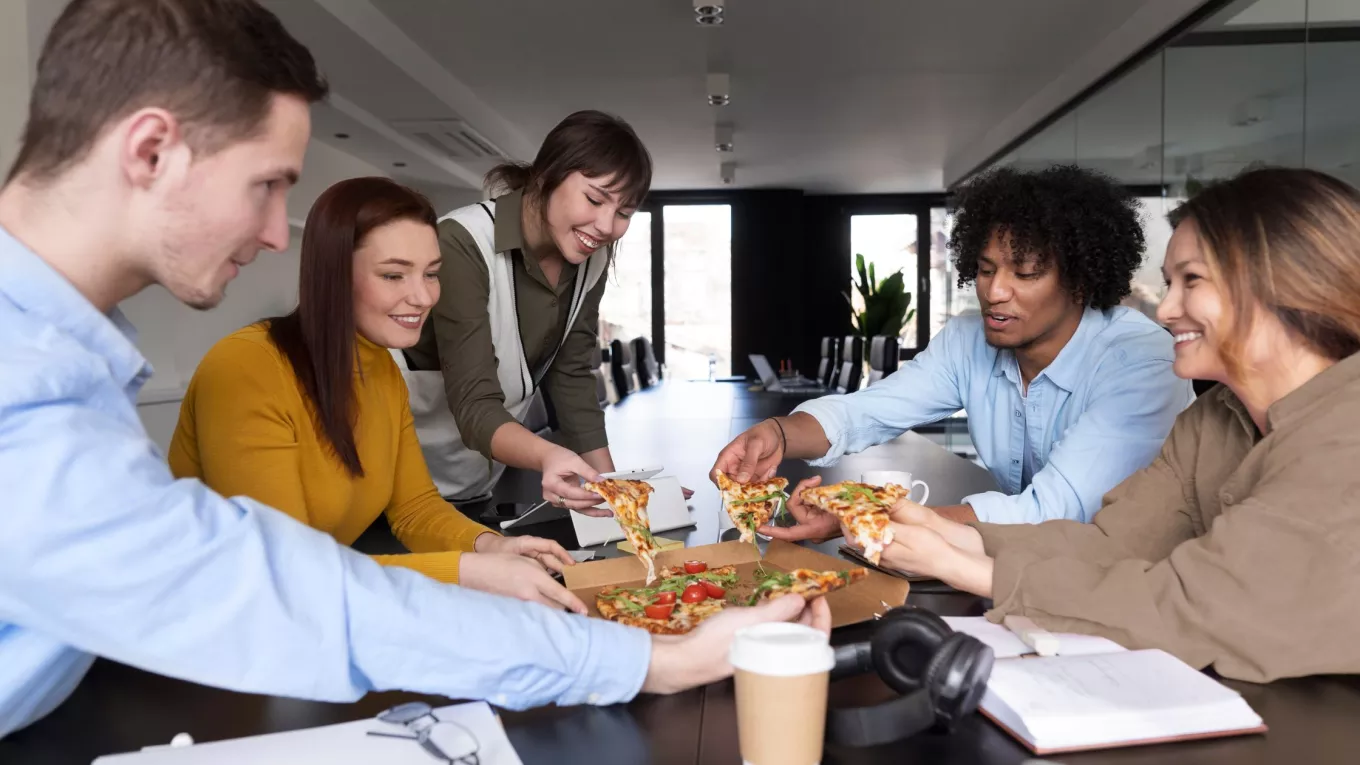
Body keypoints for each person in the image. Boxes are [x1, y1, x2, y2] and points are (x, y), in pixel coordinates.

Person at [0, 0, 826, 739]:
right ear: (149, 150)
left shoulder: (61, 357)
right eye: (266, 185)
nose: (279, 237)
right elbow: (284, 589)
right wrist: (650, 663)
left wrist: (494, 559)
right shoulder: (27, 388)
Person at [872, 167, 1360, 682]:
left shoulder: (1345, 432)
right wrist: (957, 537)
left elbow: (1200, 609)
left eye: (1191, 281)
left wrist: (973, 570)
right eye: (1169, 283)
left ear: (1287, 285)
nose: (1167, 309)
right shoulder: (1212, 420)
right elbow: (1114, 542)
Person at [167, 177, 584, 611]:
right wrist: (465, 572)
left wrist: (488, 547)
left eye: (432, 274)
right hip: (209, 628)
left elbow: (414, 508)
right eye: (393, 274)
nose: (423, 296)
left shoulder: (382, 369)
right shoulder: (246, 367)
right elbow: (285, 568)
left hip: (309, 615)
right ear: (333, 273)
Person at [713, 165, 1192, 535]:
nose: (995, 292)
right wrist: (776, 433)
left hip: (1132, 585)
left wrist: (862, 518)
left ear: (1083, 280)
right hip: (1027, 571)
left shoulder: (1141, 361)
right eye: (985, 270)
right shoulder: (969, 339)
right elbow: (867, 412)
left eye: (1025, 274)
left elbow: (1054, 511)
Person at [400, 111, 654, 512]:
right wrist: (549, 456)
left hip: (476, 485)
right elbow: (474, 402)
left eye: (624, 213)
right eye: (594, 198)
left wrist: (615, 492)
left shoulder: (592, 258)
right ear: (546, 175)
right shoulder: (462, 242)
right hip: (401, 485)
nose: (607, 225)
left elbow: (570, 375)